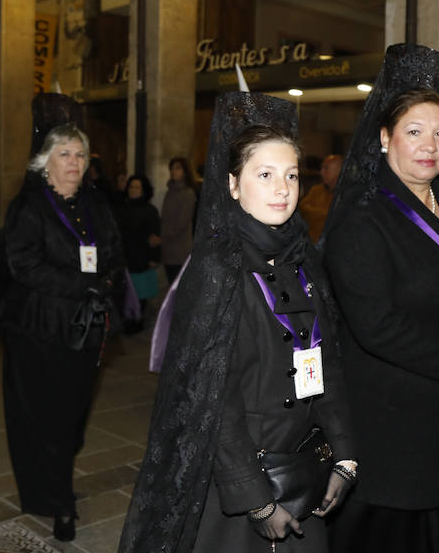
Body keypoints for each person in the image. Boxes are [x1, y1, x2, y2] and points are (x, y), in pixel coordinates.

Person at [119, 92, 356, 553]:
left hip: (303, 468)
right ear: (232, 185)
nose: (282, 189)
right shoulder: (216, 271)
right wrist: (256, 500)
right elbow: (211, 398)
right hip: (237, 484)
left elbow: (326, 364)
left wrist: (345, 455)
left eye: (290, 175)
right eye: (264, 175)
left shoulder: (304, 260)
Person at [322, 44, 439, 553]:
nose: (430, 146)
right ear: (385, 138)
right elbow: (377, 326)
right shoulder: (362, 221)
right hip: (393, 426)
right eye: (414, 132)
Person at [0, 93, 124, 541]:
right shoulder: (30, 207)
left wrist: (106, 284)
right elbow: (22, 263)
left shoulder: (96, 205)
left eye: (81, 154)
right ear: (45, 161)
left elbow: (115, 254)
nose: (74, 162)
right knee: (45, 413)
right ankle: (57, 499)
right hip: (39, 329)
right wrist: (82, 285)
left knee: (74, 412)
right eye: (64, 153)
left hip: (85, 328)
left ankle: (53, 481)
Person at [117, 174, 162, 332]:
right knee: (125, 292)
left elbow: (156, 237)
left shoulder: (150, 210)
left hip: (142, 257)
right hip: (125, 257)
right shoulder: (121, 208)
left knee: (140, 292)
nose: (133, 190)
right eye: (131, 186)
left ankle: (137, 321)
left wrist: (154, 257)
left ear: (143, 190)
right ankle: (127, 321)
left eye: (137, 187)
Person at [160, 156, 198, 282]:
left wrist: (162, 237)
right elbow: (164, 219)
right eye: (172, 168)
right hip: (167, 249)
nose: (173, 171)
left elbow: (181, 223)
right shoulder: (169, 192)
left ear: (185, 172)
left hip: (180, 250)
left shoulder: (188, 194)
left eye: (177, 168)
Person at [299, 154, 343, 243]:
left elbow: (339, 219)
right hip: (311, 244)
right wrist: (325, 215)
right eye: (322, 168)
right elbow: (302, 209)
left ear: (340, 171)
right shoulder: (316, 190)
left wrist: (315, 215)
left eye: (326, 169)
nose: (321, 172)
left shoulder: (346, 194)